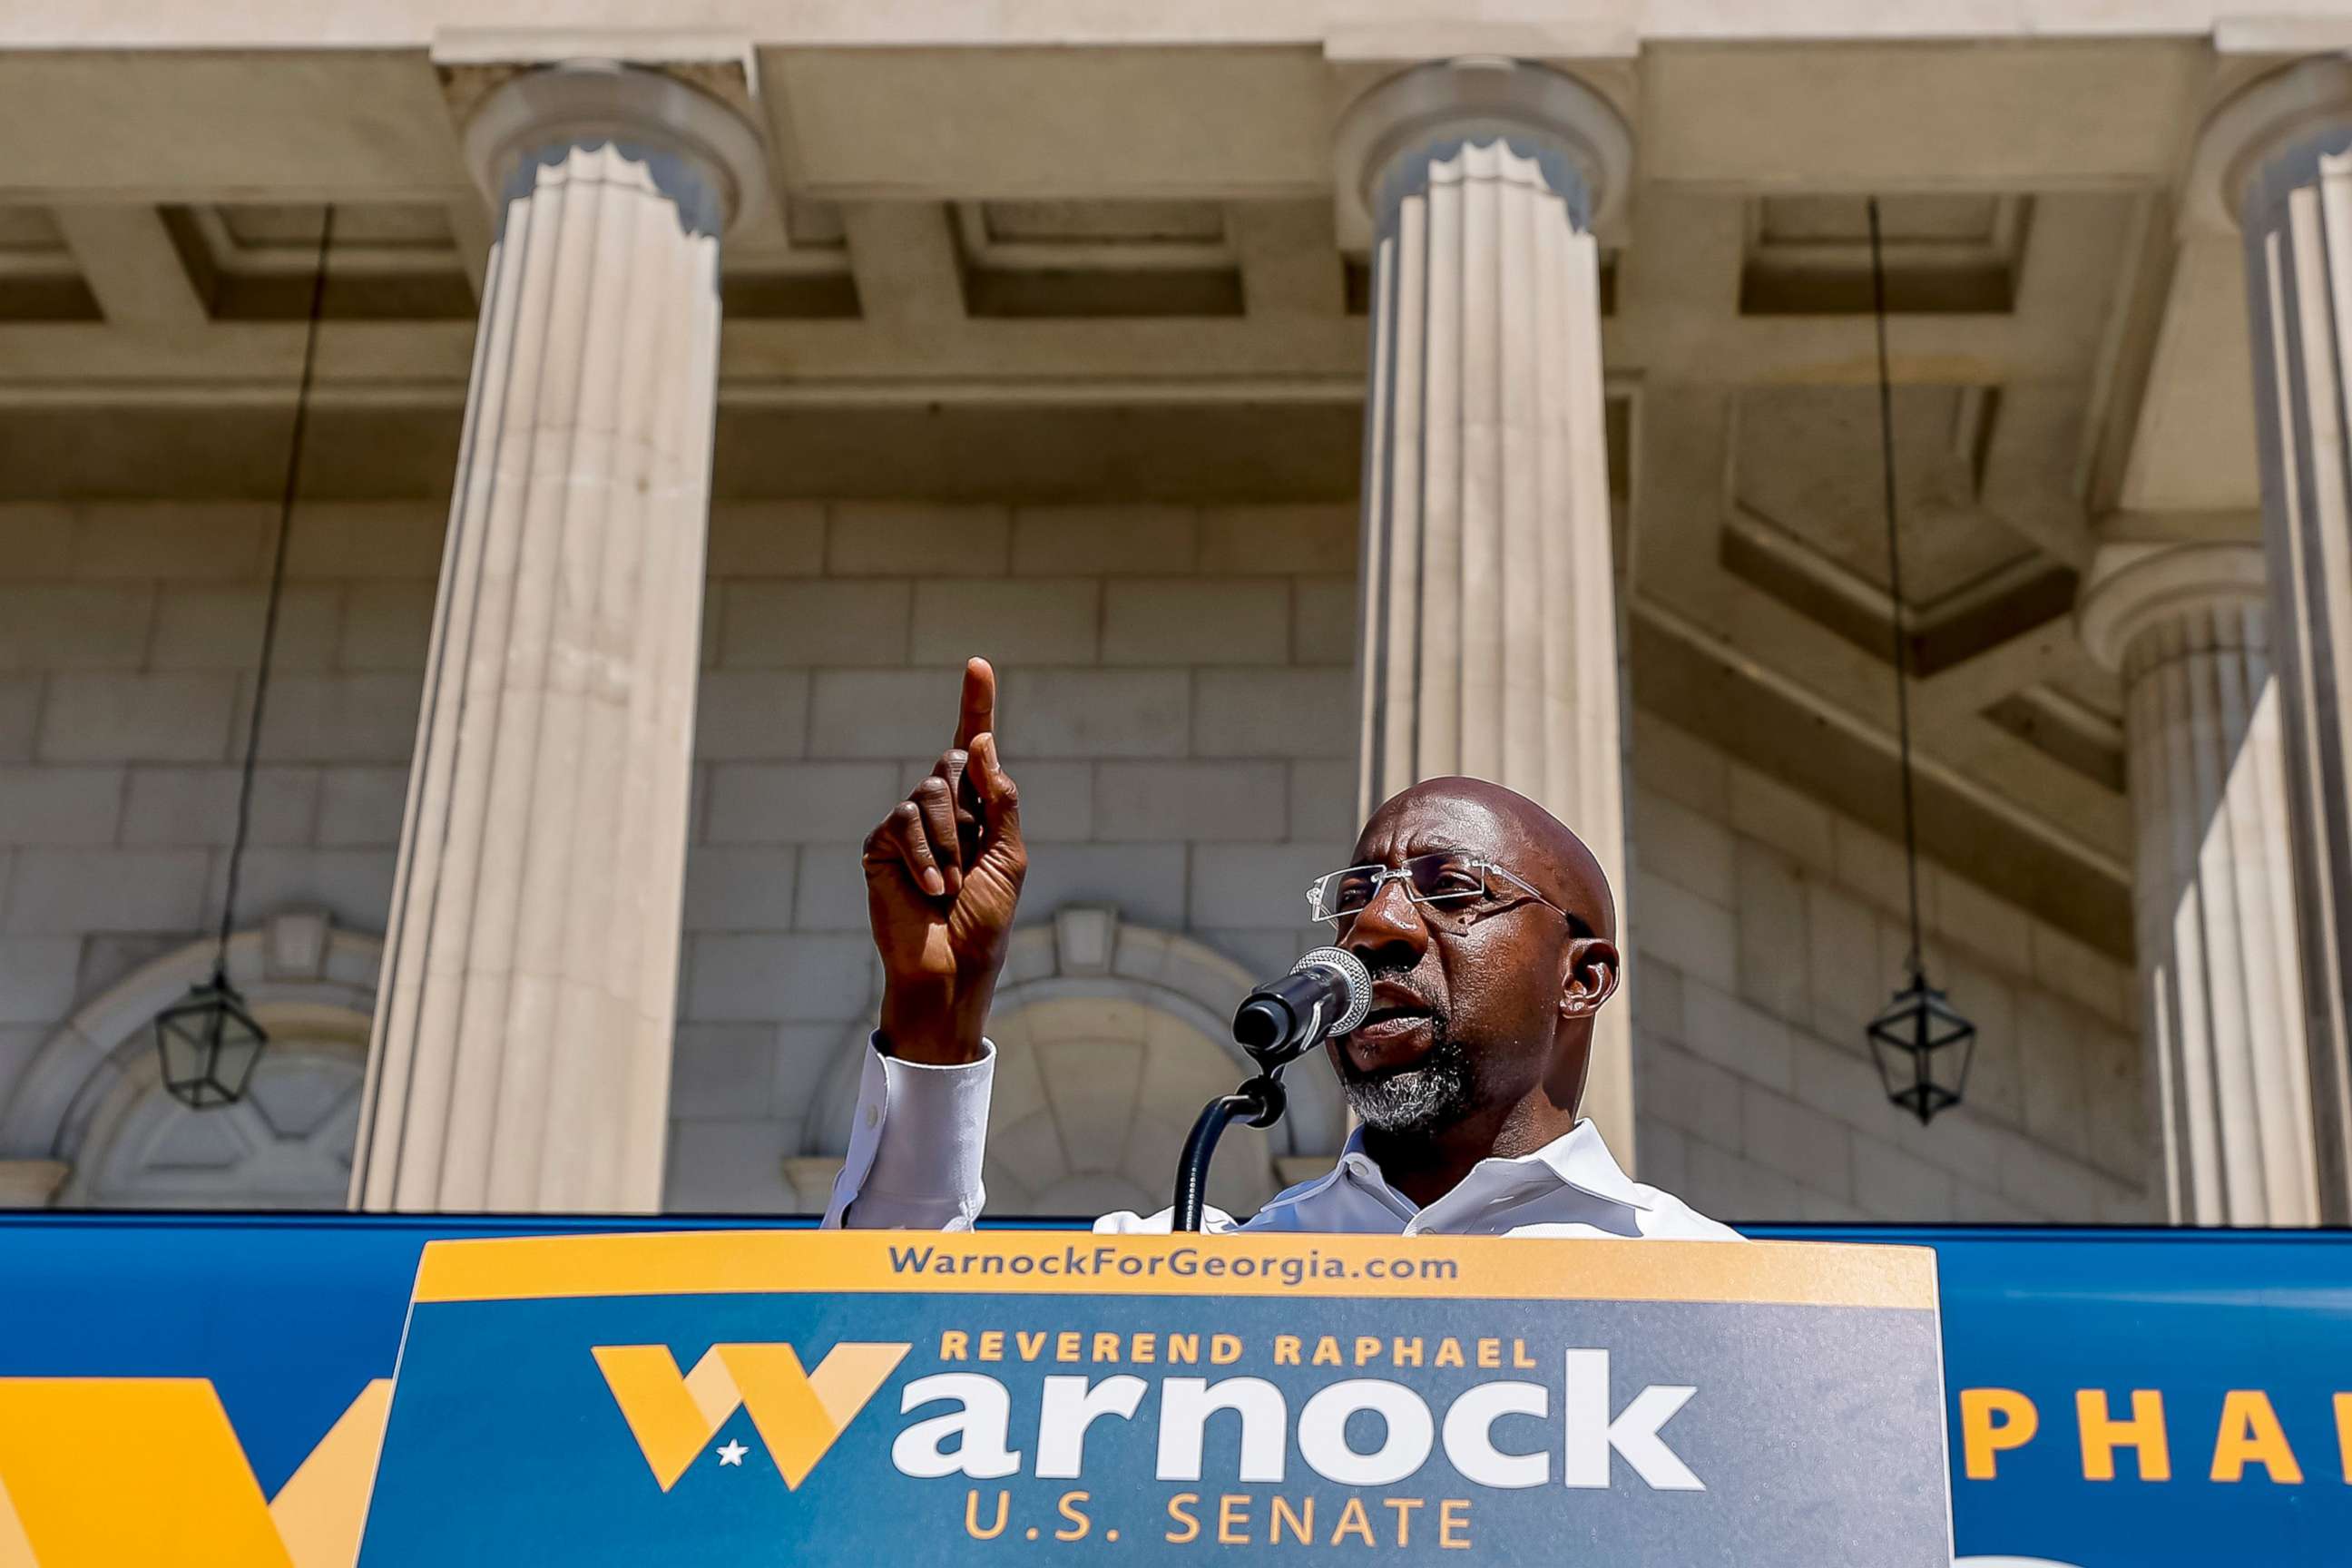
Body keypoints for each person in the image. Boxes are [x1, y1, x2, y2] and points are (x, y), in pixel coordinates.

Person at [823, 657, 1737, 1241]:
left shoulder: (1701, 1282)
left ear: (1583, 979)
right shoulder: (1204, 1268)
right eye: (1353, 896)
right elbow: (890, 1366)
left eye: (1450, 888)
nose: (1374, 928)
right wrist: (935, 1018)